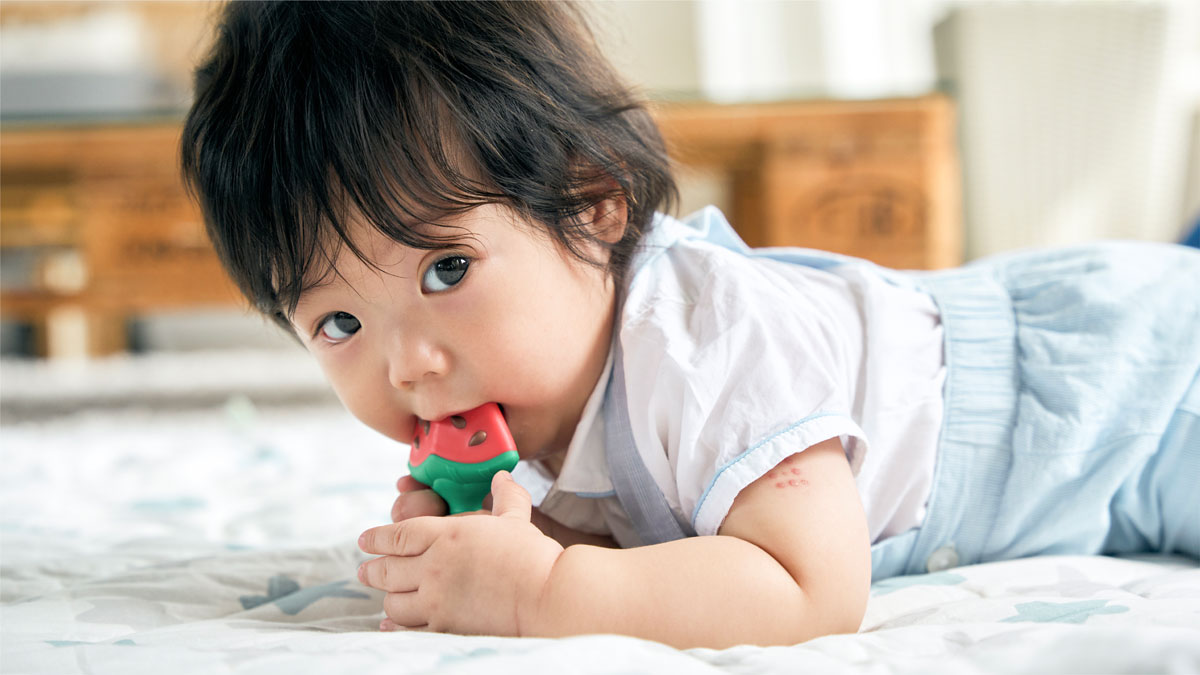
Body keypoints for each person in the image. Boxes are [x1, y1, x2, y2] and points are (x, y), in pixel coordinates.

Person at [181, 1, 1200, 650]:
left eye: (447, 267)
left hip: (1141, 383)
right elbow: (654, 523)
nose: (411, 362)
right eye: (339, 321)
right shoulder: (541, 394)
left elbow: (809, 584)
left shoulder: (703, 340)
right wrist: (509, 540)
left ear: (591, 206)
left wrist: (548, 592)